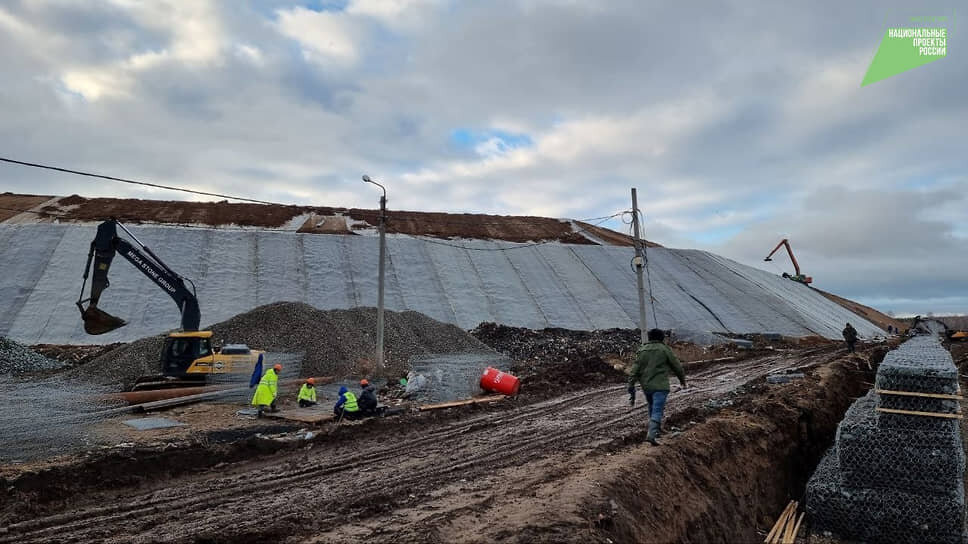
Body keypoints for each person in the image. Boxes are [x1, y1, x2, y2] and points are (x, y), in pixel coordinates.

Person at [628, 328, 686, 445]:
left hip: (647, 386)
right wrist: (682, 380)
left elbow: (634, 370)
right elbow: (677, 366)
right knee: (658, 410)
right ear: (662, 338)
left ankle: (656, 431)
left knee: (651, 406)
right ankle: (652, 434)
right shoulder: (664, 349)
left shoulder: (642, 350)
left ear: (649, 337)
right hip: (661, 386)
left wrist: (631, 385)